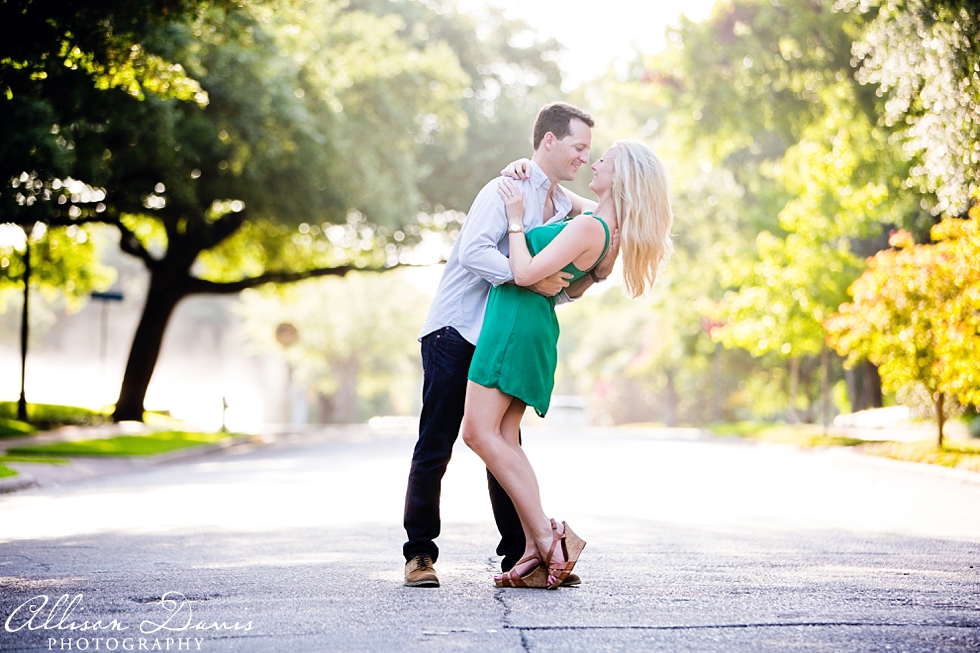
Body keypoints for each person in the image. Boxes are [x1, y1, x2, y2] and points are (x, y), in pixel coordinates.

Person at [403, 102, 616, 587]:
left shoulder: (565, 206)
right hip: (457, 328)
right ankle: (419, 554)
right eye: (578, 147)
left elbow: (600, 223)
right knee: (436, 441)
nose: (585, 157)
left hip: (504, 335)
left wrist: (563, 282)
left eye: (589, 151)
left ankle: (521, 553)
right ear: (549, 140)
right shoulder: (505, 189)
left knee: (503, 441)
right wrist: (525, 280)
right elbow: (475, 251)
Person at [461, 139, 674, 588]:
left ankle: (546, 536)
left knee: (478, 432)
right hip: (528, 326)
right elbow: (561, 194)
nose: (594, 162)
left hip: (515, 325)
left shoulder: (588, 229)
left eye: (605, 160)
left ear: (621, 179)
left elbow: (522, 273)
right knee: (502, 437)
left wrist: (516, 221)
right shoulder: (605, 231)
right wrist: (527, 166)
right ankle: (533, 549)